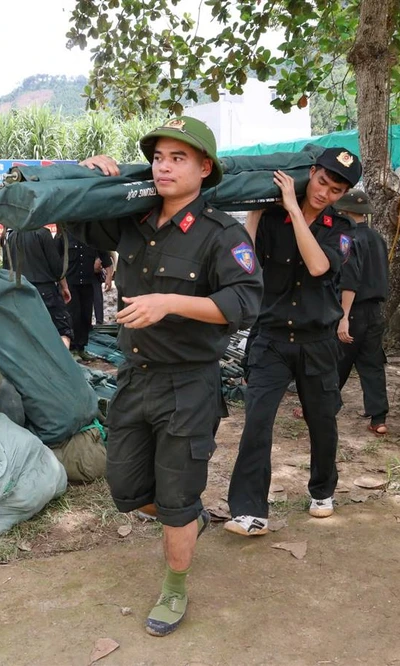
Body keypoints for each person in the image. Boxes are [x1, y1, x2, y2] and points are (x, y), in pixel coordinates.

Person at [71, 116, 262, 637]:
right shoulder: (133, 219)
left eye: (178, 158)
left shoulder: (221, 233)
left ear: (205, 168)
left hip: (189, 384)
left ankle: (175, 586)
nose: (163, 166)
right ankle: (189, 516)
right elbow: (76, 220)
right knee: (126, 486)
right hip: (134, 378)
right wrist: (93, 178)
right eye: (158, 157)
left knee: (175, 498)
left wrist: (170, 303)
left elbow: (245, 301)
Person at [225, 147, 361, 537]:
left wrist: (295, 210)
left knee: (322, 421)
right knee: (257, 422)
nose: (324, 193)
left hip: (317, 341)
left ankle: (322, 489)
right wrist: (254, 212)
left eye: (335, 190)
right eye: (322, 181)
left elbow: (319, 266)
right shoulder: (271, 217)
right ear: (311, 173)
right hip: (270, 339)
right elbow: (246, 261)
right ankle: (250, 510)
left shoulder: (341, 229)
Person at [334, 190, 390, 435]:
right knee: (372, 364)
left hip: (353, 310)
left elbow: (349, 280)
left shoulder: (346, 239)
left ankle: (322, 407)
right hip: (375, 312)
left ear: (344, 211)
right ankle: (379, 418)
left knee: (336, 362)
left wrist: (343, 316)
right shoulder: (377, 238)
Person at [3, 225, 73, 347]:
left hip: (21, 291)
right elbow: (57, 268)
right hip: (44, 290)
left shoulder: (11, 237)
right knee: (62, 329)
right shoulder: (42, 233)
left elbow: (6, 269)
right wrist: (65, 287)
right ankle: (60, 363)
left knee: (29, 333)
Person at [65, 233, 113, 358]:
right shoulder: (64, 238)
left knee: (86, 316)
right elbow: (56, 259)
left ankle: (81, 347)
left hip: (88, 282)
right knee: (73, 315)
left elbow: (105, 257)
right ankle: (73, 348)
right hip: (71, 284)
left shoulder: (92, 238)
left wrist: (109, 276)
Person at [92, 251, 116, 325]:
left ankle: (99, 323)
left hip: (94, 276)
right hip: (76, 275)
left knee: (97, 299)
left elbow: (106, 255)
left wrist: (109, 275)